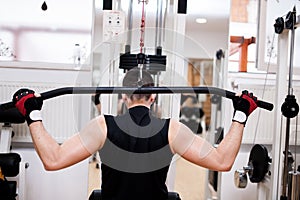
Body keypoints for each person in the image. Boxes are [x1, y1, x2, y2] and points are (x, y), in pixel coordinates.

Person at [12, 68, 258, 200]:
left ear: (123, 95)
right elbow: (222, 162)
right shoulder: (172, 129)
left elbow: (53, 160)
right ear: (153, 97)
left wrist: (33, 114)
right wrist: (241, 114)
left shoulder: (102, 126)